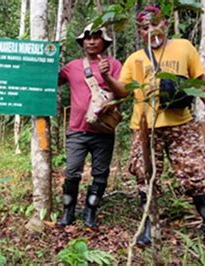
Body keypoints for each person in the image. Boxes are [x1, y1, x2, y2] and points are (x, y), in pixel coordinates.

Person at [103, 6, 205, 248]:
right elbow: (124, 90)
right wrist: (106, 78)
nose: (151, 30)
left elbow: (198, 80)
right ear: (139, 32)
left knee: (194, 172)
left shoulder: (184, 47)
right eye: (145, 28)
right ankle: (149, 226)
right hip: (145, 128)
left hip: (181, 124)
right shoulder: (135, 58)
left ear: (165, 24)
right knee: (145, 176)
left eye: (155, 24)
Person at [57, 23, 123, 227]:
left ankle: (90, 213)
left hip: (103, 130)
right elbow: (49, 80)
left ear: (104, 42)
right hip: (77, 130)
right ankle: (68, 213)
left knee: (100, 174)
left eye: (96, 37)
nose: (91, 41)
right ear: (82, 42)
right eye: (87, 38)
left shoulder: (114, 65)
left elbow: (122, 92)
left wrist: (106, 77)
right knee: (72, 172)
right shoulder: (73, 66)